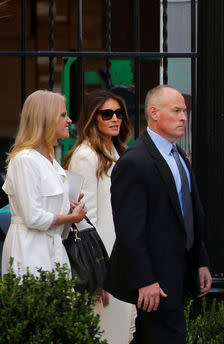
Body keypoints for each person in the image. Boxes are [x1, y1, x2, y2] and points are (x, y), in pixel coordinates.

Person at [105, 85, 212, 344]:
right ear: (154, 113)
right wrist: (145, 279)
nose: (184, 117)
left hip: (179, 273)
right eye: (176, 111)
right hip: (156, 280)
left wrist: (200, 261)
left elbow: (188, 213)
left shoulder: (179, 157)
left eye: (184, 111)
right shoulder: (134, 161)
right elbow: (129, 229)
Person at [64, 90, 133, 344]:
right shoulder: (85, 156)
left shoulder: (114, 151)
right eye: (107, 114)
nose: (115, 119)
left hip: (119, 256)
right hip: (102, 262)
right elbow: (85, 218)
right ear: (94, 118)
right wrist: (99, 273)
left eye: (119, 113)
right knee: (107, 333)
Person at [1, 90, 86, 277]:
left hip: (54, 249)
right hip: (29, 251)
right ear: (45, 119)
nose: (69, 120)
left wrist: (68, 205)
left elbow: (46, 205)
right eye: (63, 115)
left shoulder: (50, 159)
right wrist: (71, 218)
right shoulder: (24, 160)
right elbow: (33, 217)